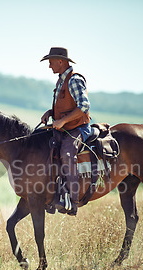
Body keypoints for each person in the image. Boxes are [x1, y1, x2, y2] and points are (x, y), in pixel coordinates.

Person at [40, 47, 92, 216]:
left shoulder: (74, 80)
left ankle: (73, 201)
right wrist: (51, 113)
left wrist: (62, 120)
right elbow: (65, 106)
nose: (49, 66)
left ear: (61, 62)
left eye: (51, 62)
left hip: (78, 128)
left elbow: (84, 106)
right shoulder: (61, 80)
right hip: (65, 128)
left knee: (67, 155)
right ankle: (54, 194)